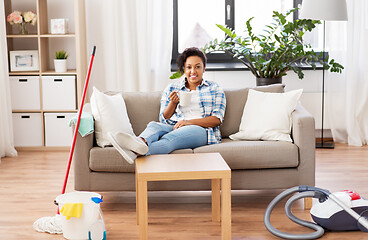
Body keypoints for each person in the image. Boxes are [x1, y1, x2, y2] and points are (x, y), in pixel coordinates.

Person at [108, 47, 226, 164]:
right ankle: (139, 142)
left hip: (202, 131)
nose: (193, 71)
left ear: (204, 68)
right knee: (154, 126)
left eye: (198, 67)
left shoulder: (214, 88)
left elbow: (217, 120)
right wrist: (173, 103)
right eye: (189, 67)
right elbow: (164, 118)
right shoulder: (172, 88)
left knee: (169, 139)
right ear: (184, 69)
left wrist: (188, 122)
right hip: (175, 126)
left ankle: (132, 152)